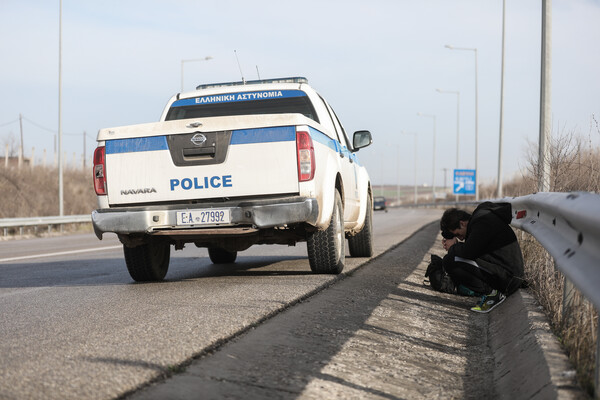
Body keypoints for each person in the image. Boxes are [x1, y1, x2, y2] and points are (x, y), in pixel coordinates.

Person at [440, 202, 525, 313]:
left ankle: (493, 292)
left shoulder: (481, 222)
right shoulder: (480, 219)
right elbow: (472, 250)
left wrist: (453, 247)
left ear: (462, 223)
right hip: (508, 273)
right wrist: (456, 246)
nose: (460, 238)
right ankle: (490, 290)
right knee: (454, 257)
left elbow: (468, 253)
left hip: (508, 278)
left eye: (458, 234)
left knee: (451, 260)